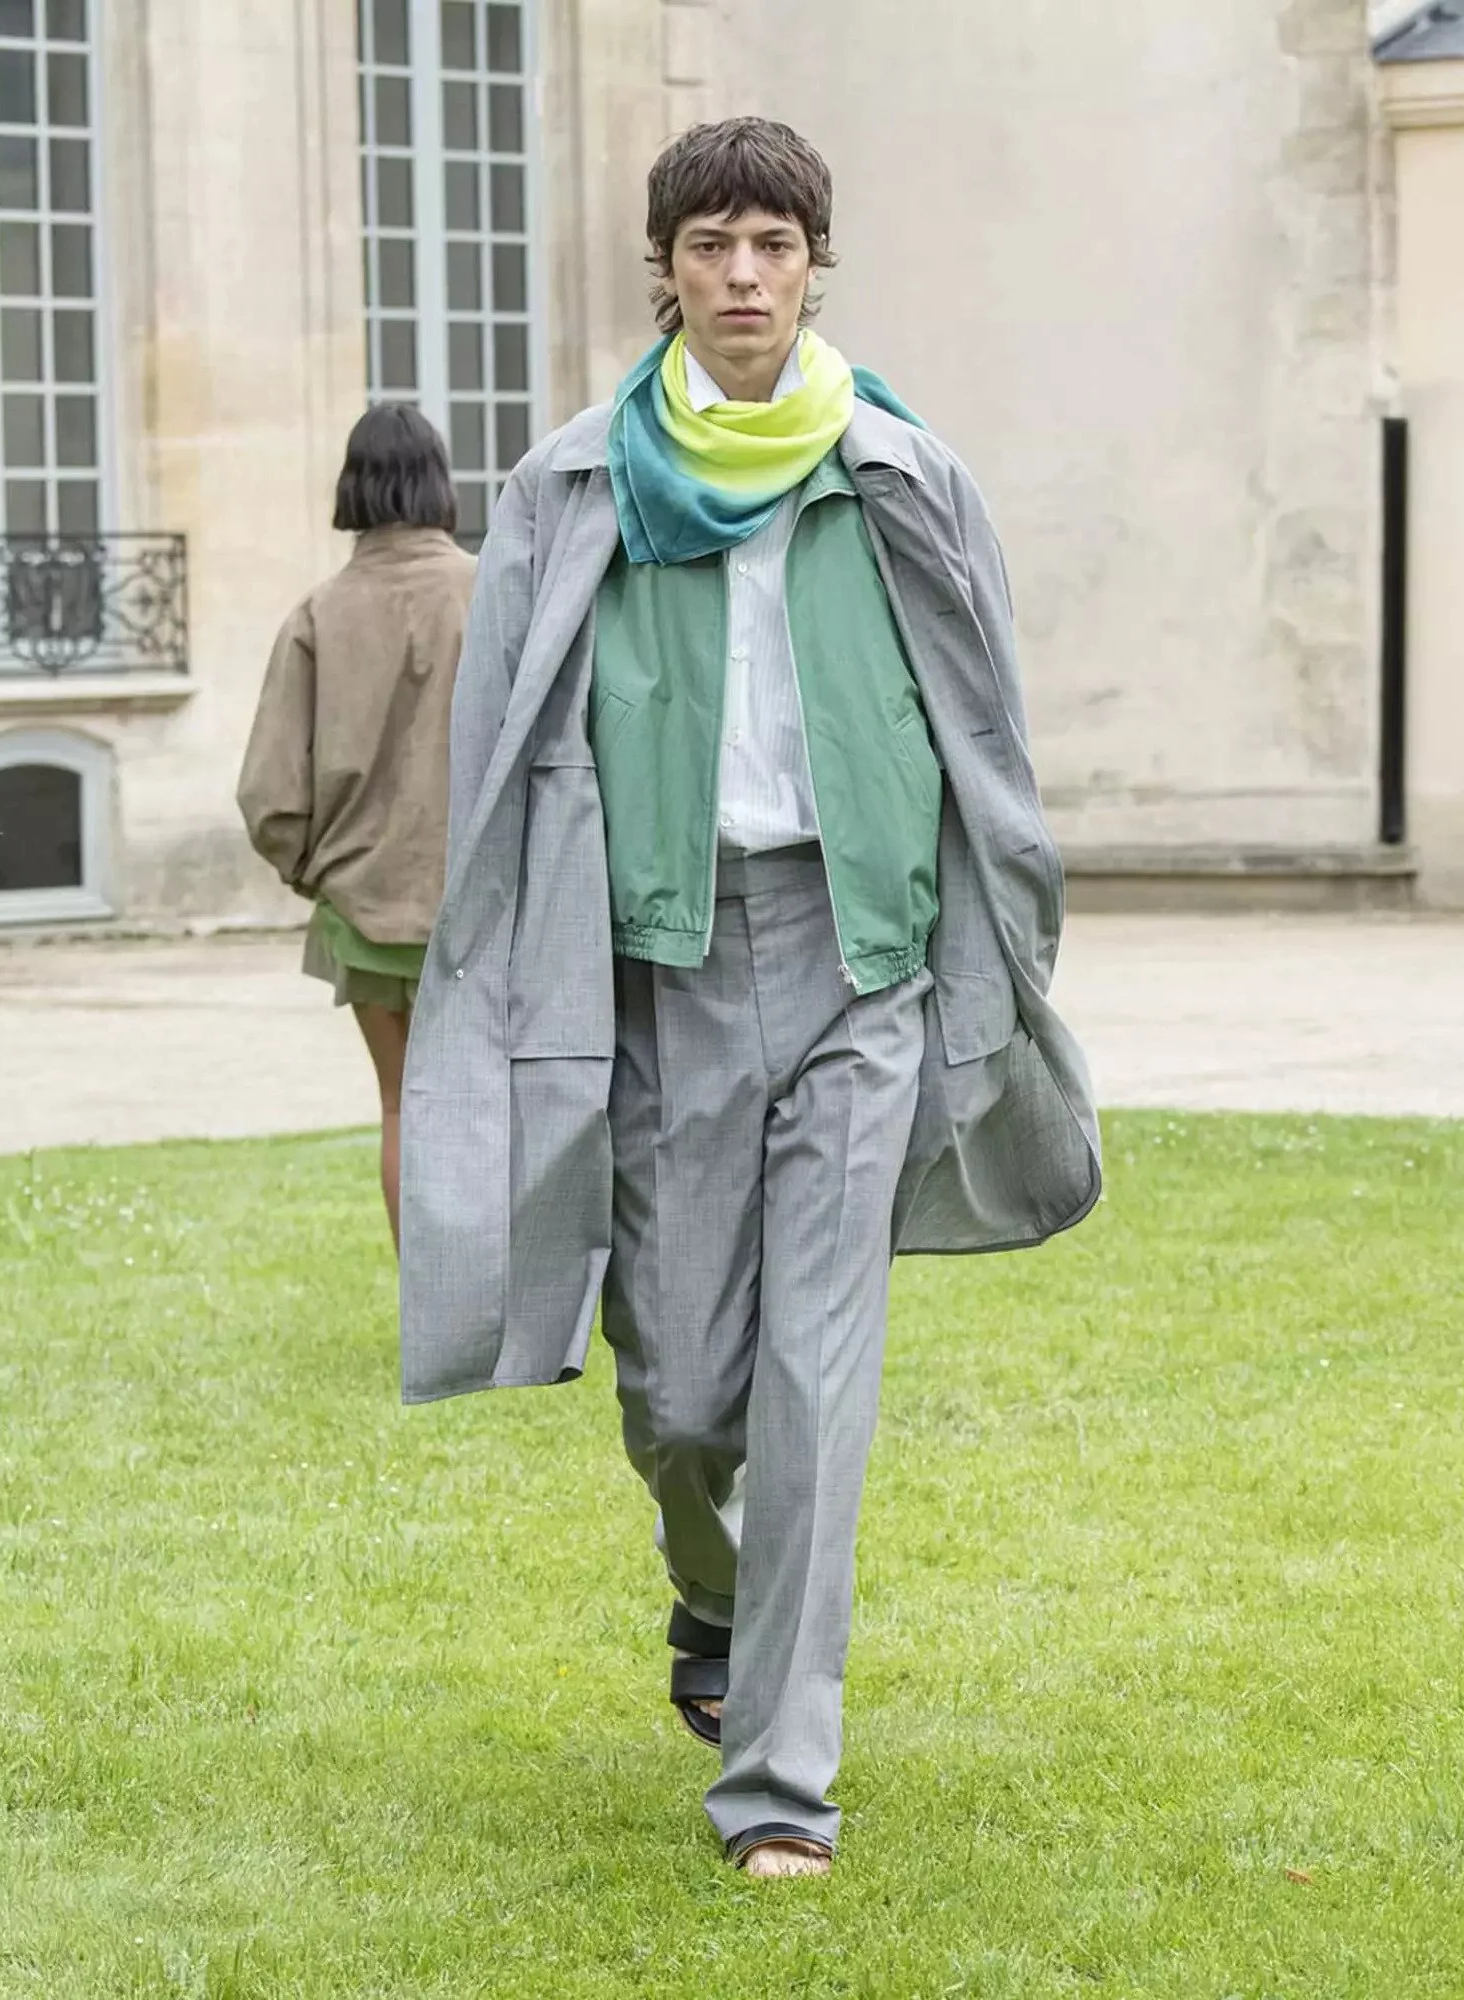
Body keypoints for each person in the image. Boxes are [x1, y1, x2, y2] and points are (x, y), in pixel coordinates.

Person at [400, 118, 1101, 1878]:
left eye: (772, 245)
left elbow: (987, 731)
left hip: (861, 963)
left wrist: (987, 947)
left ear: (812, 267)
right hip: (665, 970)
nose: (741, 275)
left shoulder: (903, 475)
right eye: (709, 243)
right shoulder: (572, 488)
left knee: (814, 1385)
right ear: (665, 267)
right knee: (686, 1396)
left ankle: (781, 1788)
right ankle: (708, 1599)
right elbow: (498, 754)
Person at [238, 404, 477, 1249]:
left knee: (399, 1105)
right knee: (487, 1109)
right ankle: (489, 1299)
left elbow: (269, 795)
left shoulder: (318, 614)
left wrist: (319, 876)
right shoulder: (494, 592)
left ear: (353, 487)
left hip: (362, 912)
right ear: (439, 482)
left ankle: (427, 1304)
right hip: (483, 911)